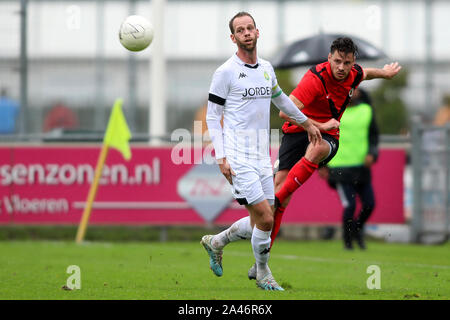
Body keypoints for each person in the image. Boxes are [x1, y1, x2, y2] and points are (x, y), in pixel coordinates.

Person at [200, 11, 321, 291]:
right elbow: (211, 117)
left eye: (249, 28)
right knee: (267, 218)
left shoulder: (266, 68)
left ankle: (216, 242)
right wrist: (221, 157)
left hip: (262, 155)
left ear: (257, 32)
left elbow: (282, 101)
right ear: (233, 38)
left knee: (263, 218)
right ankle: (263, 273)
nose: (246, 33)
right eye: (240, 30)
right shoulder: (225, 72)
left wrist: (307, 123)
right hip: (238, 157)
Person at [265, 37, 401, 261]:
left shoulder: (353, 74)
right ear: (329, 58)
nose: (341, 67)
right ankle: (258, 257)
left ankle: (277, 198)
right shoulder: (314, 79)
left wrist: (384, 73)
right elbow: (285, 113)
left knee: (317, 148)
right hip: (297, 129)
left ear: (352, 61)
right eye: (337, 61)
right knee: (276, 202)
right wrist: (318, 124)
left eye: (346, 63)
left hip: (328, 136)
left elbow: (366, 73)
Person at [319, 88, 379, 250]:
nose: (353, 91)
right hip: (339, 169)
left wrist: (372, 153)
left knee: (369, 204)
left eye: (356, 87)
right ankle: (348, 242)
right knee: (350, 205)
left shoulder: (367, 110)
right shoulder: (333, 111)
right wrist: (321, 164)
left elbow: (374, 136)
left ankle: (356, 231)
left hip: (361, 167)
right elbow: (322, 137)